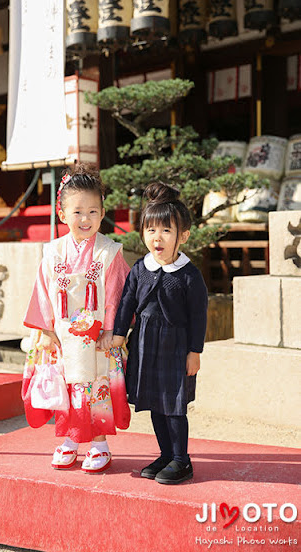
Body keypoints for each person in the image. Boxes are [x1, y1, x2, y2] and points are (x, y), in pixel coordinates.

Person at [22, 164, 131, 473]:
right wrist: (45, 330)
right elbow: (42, 292)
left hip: (96, 337)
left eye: (93, 211)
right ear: (62, 214)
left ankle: (99, 444)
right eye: (78, 212)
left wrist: (112, 330)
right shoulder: (52, 251)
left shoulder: (108, 251)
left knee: (95, 388)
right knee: (65, 388)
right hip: (61, 334)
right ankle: (69, 440)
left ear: (103, 212)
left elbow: (115, 293)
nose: (86, 219)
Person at [112, 182, 208, 484]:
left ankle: (182, 460)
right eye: (151, 230)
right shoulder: (140, 268)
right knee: (155, 402)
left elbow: (199, 315)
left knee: (174, 406)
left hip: (176, 346)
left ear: (183, 236)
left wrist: (195, 352)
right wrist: (118, 334)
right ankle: (166, 454)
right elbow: (127, 300)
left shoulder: (189, 274)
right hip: (143, 343)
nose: (158, 237)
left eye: (166, 231)